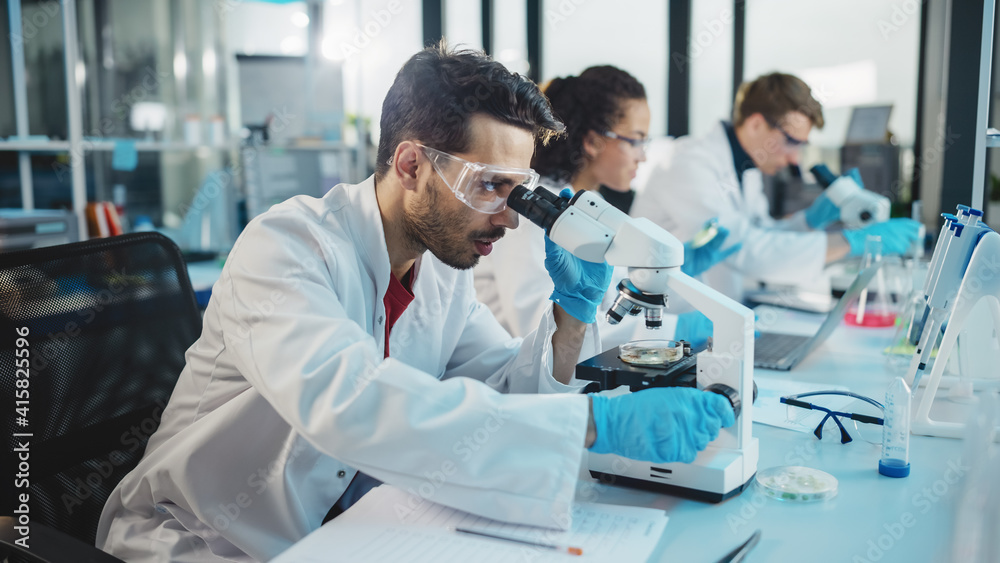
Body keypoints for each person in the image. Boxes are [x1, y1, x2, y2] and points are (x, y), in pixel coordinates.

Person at [96, 45, 734, 562]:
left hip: (346, 534)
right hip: (206, 544)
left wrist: (573, 311)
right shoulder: (286, 247)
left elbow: (505, 390)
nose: (510, 219)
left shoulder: (441, 273)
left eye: (518, 192)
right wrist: (596, 425)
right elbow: (351, 407)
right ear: (410, 166)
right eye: (491, 187)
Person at [475, 65, 741, 346]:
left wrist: (664, 276)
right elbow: (541, 327)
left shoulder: (592, 204)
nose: (642, 157)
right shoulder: (534, 213)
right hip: (517, 369)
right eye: (635, 141)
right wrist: (674, 330)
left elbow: (612, 305)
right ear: (593, 142)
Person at [632, 72, 923, 305]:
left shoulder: (747, 170)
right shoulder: (688, 164)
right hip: (665, 324)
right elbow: (745, 249)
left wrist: (808, 222)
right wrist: (852, 242)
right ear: (756, 124)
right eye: (791, 142)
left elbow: (762, 234)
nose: (795, 159)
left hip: (720, 315)